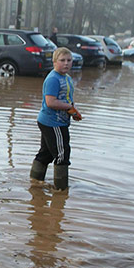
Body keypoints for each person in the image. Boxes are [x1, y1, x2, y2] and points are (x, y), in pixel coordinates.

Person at [30, 47, 82, 189]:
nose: (66, 63)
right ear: (54, 62)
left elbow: (67, 99)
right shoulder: (53, 79)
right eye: (62, 60)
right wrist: (69, 108)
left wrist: (73, 111)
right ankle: (61, 190)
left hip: (57, 121)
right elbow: (50, 102)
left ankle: (35, 181)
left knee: (46, 153)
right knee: (62, 155)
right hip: (53, 123)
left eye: (69, 60)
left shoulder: (67, 78)